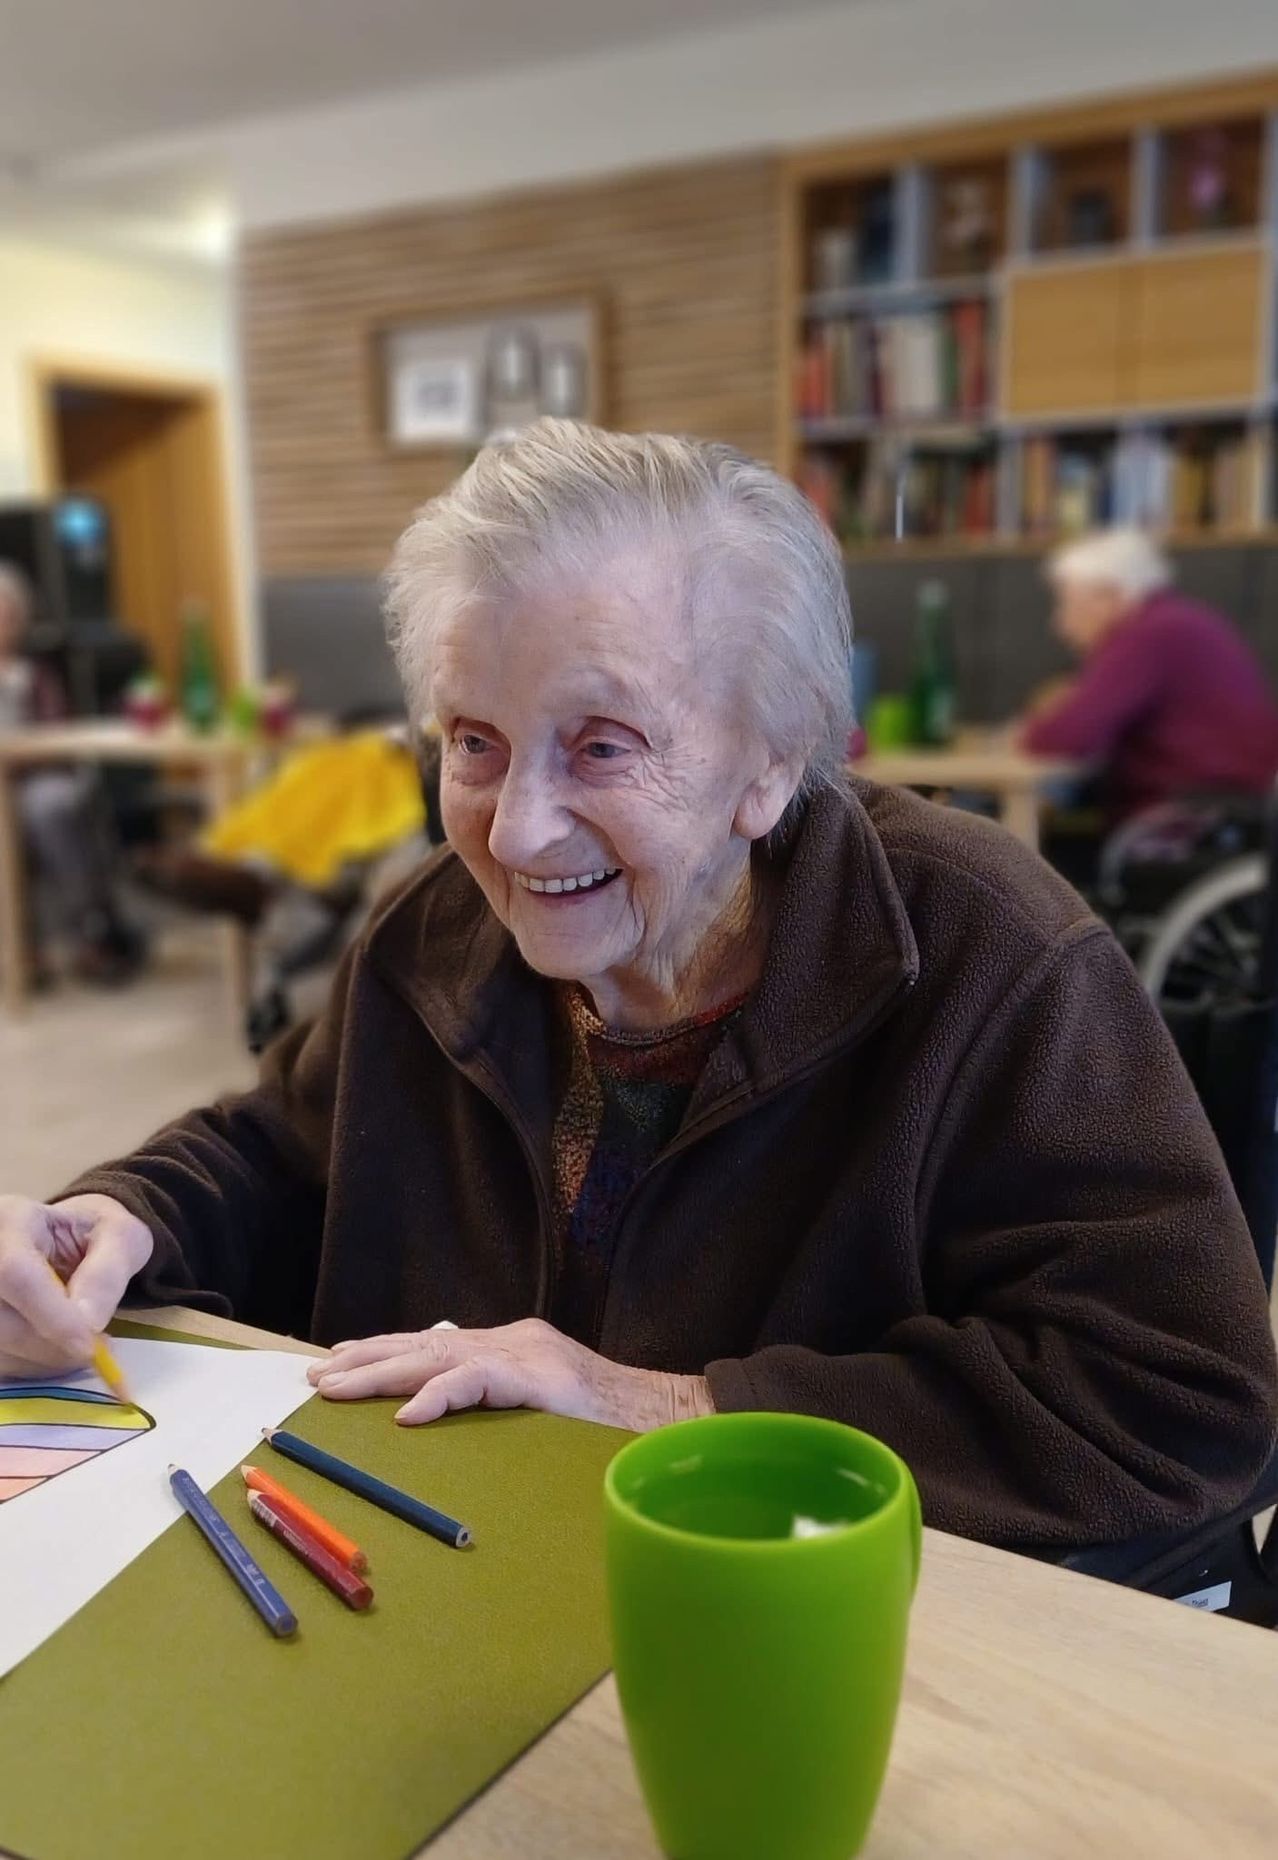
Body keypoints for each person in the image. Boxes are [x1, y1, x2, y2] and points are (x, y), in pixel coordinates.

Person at [0, 423, 1273, 1553]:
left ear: (771, 764)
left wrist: (650, 1402)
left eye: (602, 747)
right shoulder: (432, 929)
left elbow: (1180, 1398)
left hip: (833, 1628)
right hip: (455, 1570)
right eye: (475, 743)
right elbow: (281, 1153)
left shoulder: (992, 953)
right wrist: (115, 1220)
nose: (515, 833)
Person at [1019, 527, 1278, 816]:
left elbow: (1064, 737)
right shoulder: (1175, 621)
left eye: (1068, 604)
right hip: (1222, 808)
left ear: (1109, 596)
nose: (1060, 623)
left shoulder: (1150, 634)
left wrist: (1035, 727)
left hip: (1193, 818)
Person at [0, 564, 142, 984]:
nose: (2, 624)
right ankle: (22, 948)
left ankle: (91, 930)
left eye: (9, 615)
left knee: (52, 806)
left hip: (39, 776)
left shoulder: (38, 674)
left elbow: (59, 736)